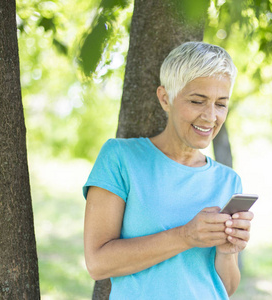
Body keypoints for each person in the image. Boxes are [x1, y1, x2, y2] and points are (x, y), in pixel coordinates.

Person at [83, 41, 254, 299]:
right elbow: (97, 263)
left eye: (221, 104)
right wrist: (186, 236)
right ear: (165, 98)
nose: (210, 116)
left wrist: (227, 251)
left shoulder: (228, 181)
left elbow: (225, 289)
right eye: (198, 101)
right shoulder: (121, 158)